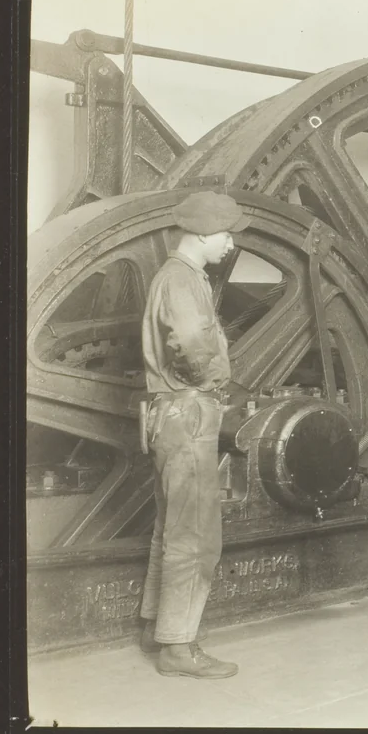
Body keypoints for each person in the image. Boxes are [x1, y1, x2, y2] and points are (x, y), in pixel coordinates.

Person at [138, 191, 249, 679]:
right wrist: (209, 381)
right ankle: (179, 648)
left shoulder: (177, 276)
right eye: (226, 234)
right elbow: (189, 341)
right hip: (188, 415)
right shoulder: (182, 280)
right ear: (204, 234)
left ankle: (156, 627)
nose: (229, 243)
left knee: (171, 529)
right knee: (197, 534)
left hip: (169, 417)